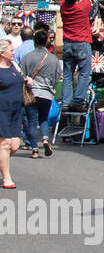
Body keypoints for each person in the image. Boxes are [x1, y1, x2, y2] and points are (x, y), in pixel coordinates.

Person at [57, 0, 97, 110]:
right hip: (82, 43)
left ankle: (66, 102)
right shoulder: (82, 8)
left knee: (67, 74)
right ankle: (78, 101)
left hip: (68, 44)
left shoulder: (63, 7)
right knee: (84, 73)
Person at [19, 28, 60, 158]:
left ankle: (35, 149)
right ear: (46, 41)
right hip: (46, 94)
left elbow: (22, 75)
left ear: (34, 41)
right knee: (43, 119)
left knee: (31, 121)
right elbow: (57, 77)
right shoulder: (53, 59)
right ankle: (45, 138)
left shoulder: (27, 57)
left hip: (31, 93)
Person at [0, 38, 27, 189]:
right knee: (5, 144)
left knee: (15, 145)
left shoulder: (13, 65)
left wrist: (27, 81)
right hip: (1, 110)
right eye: (10, 50)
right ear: (2, 53)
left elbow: (21, 79)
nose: (13, 52)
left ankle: (2, 162)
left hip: (16, 110)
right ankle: (7, 178)